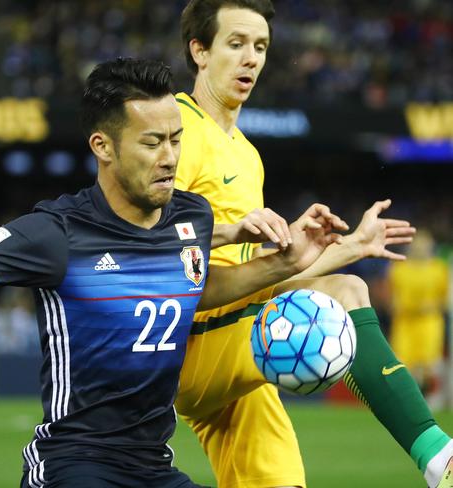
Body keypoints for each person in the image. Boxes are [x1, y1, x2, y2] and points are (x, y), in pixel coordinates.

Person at [0, 57, 345, 487]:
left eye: (176, 140)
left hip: (153, 464)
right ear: (102, 147)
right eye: (152, 143)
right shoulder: (57, 232)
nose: (170, 158)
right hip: (74, 464)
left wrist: (285, 263)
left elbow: (195, 289)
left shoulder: (191, 215)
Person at [173, 2, 453, 488]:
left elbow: (248, 273)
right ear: (199, 50)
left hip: (229, 350)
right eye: (235, 44)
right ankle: (438, 457)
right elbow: (160, 261)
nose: (251, 59)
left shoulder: (246, 154)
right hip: (183, 345)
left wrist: (350, 247)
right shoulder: (176, 132)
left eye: (260, 47)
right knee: (344, 294)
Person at [390, 230, 449, 407]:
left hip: (429, 322)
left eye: (425, 245)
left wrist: (431, 305)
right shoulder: (399, 268)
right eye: (417, 245)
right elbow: (393, 297)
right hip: (404, 322)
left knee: (427, 366)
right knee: (403, 364)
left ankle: (429, 401)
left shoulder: (439, 269)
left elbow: (445, 299)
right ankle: (407, 402)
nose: (421, 249)